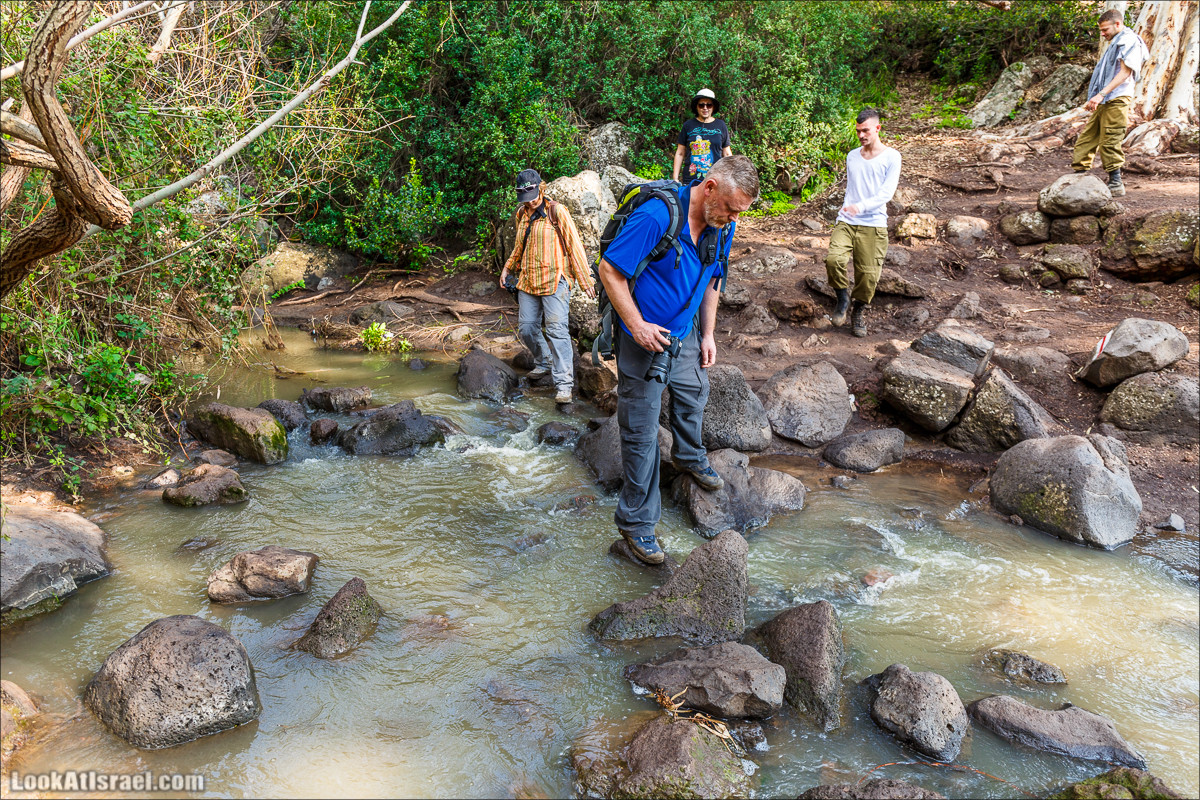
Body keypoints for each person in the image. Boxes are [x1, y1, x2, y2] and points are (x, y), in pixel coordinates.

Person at [597, 155, 758, 564]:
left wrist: (708, 333)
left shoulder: (724, 225)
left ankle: (688, 455)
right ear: (709, 188)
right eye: (730, 208)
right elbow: (610, 270)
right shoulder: (656, 217)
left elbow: (711, 280)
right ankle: (637, 525)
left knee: (694, 390)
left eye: (738, 212)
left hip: (683, 334)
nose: (732, 218)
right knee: (641, 432)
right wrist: (636, 326)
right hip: (642, 338)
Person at [499, 169, 595, 404]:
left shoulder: (556, 211)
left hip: (555, 281)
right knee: (527, 328)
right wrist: (508, 267)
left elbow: (575, 246)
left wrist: (585, 281)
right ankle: (544, 362)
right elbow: (519, 247)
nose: (530, 200)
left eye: (532, 194)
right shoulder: (521, 214)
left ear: (540, 188)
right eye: (525, 196)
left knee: (556, 331)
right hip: (528, 280)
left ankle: (563, 385)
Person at [825, 108, 901, 338]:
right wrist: (850, 207)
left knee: (868, 276)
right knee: (833, 260)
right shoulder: (852, 155)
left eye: (865, 130)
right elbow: (854, 187)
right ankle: (842, 299)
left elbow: (886, 193)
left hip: (874, 223)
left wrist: (861, 206)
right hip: (847, 221)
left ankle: (859, 310)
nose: (860, 135)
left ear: (877, 128)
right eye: (858, 131)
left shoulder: (892, 157)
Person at [1072, 8, 1149, 197]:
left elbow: (1125, 72)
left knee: (1110, 140)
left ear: (1118, 24)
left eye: (1105, 29)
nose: (1103, 33)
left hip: (1117, 98)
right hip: (1106, 98)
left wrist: (1101, 94)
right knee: (1087, 137)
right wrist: (1097, 96)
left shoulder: (1128, 40)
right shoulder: (1115, 41)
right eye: (1101, 30)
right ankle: (1078, 178)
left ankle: (1116, 183)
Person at [672, 88, 732, 183]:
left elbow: (727, 154)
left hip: (715, 180)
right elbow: (680, 153)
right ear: (696, 106)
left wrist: (730, 178)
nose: (705, 108)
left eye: (709, 105)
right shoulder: (688, 125)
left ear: (713, 107)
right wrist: (675, 179)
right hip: (691, 180)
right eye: (701, 105)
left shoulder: (721, 125)